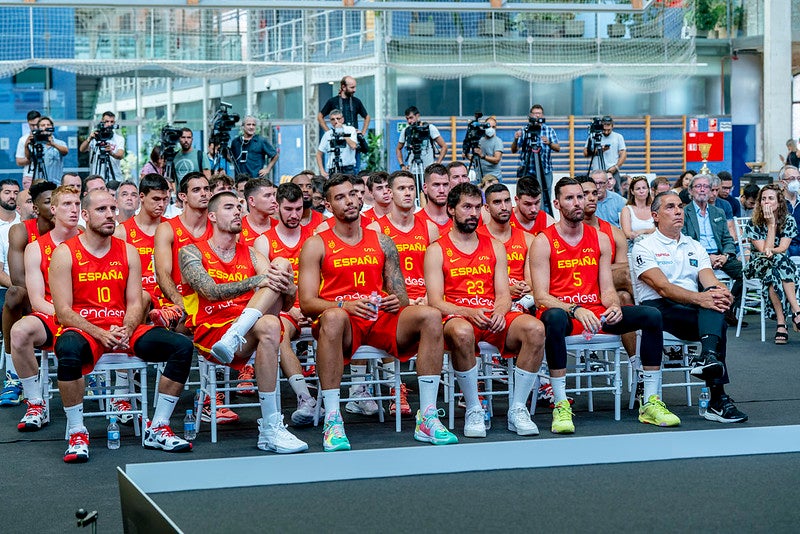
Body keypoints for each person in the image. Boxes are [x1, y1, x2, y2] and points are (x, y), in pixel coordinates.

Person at [298, 174, 457, 451]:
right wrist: (342, 305)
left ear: (361, 197)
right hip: (344, 322)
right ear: (327, 204)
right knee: (333, 318)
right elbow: (307, 303)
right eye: (339, 197)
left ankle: (428, 416)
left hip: (379, 317)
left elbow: (402, 296)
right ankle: (333, 419)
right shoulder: (317, 243)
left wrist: (396, 302)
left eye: (352, 195)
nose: (348, 201)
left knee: (431, 315)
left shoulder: (382, 241)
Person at [51, 189, 196, 463]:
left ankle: (159, 427)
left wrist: (127, 329)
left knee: (181, 346)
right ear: (85, 215)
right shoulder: (64, 253)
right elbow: (63, 312)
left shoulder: (128, 251)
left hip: (122, 328)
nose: (110, 215)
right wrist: (100, 333)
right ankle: (77, 432)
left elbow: (135, 302)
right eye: (102, 210)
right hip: (86, 329)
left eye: (112, 209)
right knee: (67, 349)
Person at [531, 178, 677, 434]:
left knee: (651, 315)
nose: (577, 203)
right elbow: (541, 296)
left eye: (580, 197)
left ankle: (650, 400)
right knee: (552, 318)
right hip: (565, 315)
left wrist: (613, 305)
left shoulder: (600, 239)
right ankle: (561, 403)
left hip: (596, 313)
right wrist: (575, 308)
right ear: (556, 204)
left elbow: (607, 288)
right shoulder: (543, 241)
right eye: (569, 198)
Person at [179, 190, 307, 453]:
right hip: (212, 332)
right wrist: (257, 281)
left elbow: (284, 305)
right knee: (271, 299)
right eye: (229, 207)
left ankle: (271, 428)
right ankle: (235, 333)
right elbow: (209, 292)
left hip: (241, 332)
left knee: (279, 275)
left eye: (239, 207)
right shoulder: (191, 251)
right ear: (212, 216)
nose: (237, 212)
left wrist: (290, 287)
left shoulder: (250, 254)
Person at [425, 183, 545, 437]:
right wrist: (468, 312)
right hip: (458, 316)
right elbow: (435, 301)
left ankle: (518, 408)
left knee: (535, 328)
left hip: (493, 316)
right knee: (462, 332)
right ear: (450, 210)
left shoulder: (495, 247)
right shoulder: (436, 249)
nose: (473, 213)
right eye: (466, 207)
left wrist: (500, 312)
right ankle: (473, 407)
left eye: (477, 207)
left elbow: (503, 294)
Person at [632, 191, 748, 423]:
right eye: (670, 207)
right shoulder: (644, 247)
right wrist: (704, 298)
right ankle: (717, 398)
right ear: (655, 215)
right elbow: (663, 288)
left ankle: (708, 356)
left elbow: (709, 279)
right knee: (712, 311)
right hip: (658, 310)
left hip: (689, 309)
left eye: (680, 206)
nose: (678, 211)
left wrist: (721, 292)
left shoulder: (694, 246)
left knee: (714, 299)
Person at [11, 185, 81, 431]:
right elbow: (37, 299)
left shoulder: (91, 240)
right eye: (66, 205)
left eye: (77, 204)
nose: (73, 210)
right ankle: (35, 403)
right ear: (53, 210)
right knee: (19, 332)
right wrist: (66, 315)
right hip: (53, 312)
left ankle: (121, 397)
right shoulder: (35, 248)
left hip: (91, 313)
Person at [254, 183, 319, 424]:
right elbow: (262, 286)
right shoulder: (264, 241)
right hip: (285, 309)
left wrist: (311, 306)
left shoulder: (315, 237)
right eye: (288, 209)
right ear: (277, 208)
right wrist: (292, 307)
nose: (294, 215)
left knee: (337, 325)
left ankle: (343, 396)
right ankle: (305, 397)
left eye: (299, 209)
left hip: (315, 305)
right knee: (277, 332)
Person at [0, 181, 56, 407]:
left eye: (58, 201)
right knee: (13, 294)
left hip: (66, 299)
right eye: (49, 202)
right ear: (35, 207)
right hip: (34, 298)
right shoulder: (20, 230)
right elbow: (18, 279)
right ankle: (13, 373)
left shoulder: (75, 231)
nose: (55, 207)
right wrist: (43, 304)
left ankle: (91, 373)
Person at [577, 175, 638, 363]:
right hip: (578, 288)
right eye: (585, 194)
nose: (592, 198)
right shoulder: (569, 231)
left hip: (608, 290)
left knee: (625, 298)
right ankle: (657, 314)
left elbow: (619, 270)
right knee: (630, 273)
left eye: (594, 193)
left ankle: (639, 366)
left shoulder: (613, 232)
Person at [114, 174, 182, 329]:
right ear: (142, 197)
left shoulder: (173, 228)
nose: (162, 204)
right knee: (142, 298)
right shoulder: (121, 232)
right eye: (156, 199)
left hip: (168, 295)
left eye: (165, 199)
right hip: (138, 297)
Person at [682, 173, 743, 326]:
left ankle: (729, 305)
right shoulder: (684, 213)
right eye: (698, 186)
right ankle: (715, 313)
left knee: (747, 273)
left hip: (721, 255)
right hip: (698, 257)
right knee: (703, 280)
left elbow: (727, 239)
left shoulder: (718, 212)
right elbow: (685, 240)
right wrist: (706, 257)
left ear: (710, 191)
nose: (702, 190)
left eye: (706, 187)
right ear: (690, 191)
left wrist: (726, 255)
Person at [743, 184, 800, 343]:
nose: (766, 202)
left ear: (779, 202)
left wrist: (772, 251)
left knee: (774, 273)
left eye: (770, 198)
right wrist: (771, 225)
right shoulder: (753, 222)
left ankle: (781, 324)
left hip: (777, 267)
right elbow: (764, 251)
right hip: (757, 265)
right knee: (778, 261)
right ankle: (797, 312)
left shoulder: (788, 220)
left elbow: (782, 248)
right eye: (763, 199)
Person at [153, 172, 213, 321]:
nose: (204, 194)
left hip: (210, 300)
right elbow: (162, 274)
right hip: (178, 301)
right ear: (183, 196)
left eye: (206, 189)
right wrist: (181, 302)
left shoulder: (219, 226)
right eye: (196, 190)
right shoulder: (167, 228)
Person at [478, 183, 534, 302]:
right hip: (489, 300)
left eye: (507, 201)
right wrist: (507, 289)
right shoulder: (476, 237)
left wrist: (525, 286)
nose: (504, 207)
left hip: (522, 299)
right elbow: (476, 282)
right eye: (497, 202)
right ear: (487, 208)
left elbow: (530, 280)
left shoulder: (528, 239)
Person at [318, 75, 371, 173]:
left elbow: (367, 117)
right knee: (335, 163)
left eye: (355, 87)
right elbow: (320, 116)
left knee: (354, 168)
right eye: (352, 87)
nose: (354, 90)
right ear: (343, 87)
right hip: (337, 139)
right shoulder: (332, 101)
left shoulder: (356, 101)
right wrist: (328, 131)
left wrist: (362, 133)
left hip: (351, 138)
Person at [511, 104, 560, 204]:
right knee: (526, 196)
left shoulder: (549, 130)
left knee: (545, 198)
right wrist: (516, 139)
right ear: (530, 115)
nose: (537, 116)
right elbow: (514, 150)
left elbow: (558, 148)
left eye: (539, 113)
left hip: (545, 169)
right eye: (535, 113)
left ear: (543, 115)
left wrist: (549, 143)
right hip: (528, 170)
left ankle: (545, 217)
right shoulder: (524, 130)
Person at [396, 106, 448, 172]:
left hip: (428, 169)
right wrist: (402, 165)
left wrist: (437, 164)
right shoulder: (406, 131)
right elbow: (398, 148)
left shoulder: (430, 128)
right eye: (407, 119)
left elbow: (444, 146)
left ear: (417, 116)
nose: (409, 121)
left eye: (411, 118)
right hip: (412, 169)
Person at [79, 111, 125, 182]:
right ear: (102, 122)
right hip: (96, 178)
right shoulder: (95, 137)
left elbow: (120, 155)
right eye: (106, 121)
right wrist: (89, 139)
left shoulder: (119, 139)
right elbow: (82, 149)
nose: (109, 124)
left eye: (112, 122)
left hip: (114, 178)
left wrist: (111, 153)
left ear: (114, 123)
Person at [230, 116, 279, 182]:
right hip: (240, 181)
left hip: (255, 180)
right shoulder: (236, 142)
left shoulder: (261, 141)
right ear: (243, 126)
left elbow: (275, 155)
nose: (251, 127)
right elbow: (232, 158)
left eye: (253, 125)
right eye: (248, 124)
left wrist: (267, 169)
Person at [21, 116, 68, 185]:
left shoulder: (60, 143)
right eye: (43, 125)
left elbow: (65, 152)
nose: (46, 127)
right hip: (39, 182)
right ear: (38, 128)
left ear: (52, 127)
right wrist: (26, 145)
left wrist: (53, 144)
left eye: (48, 125)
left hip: (56, 182)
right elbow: (29, 158)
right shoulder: (36, 143)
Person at [583, 116, 626, 189]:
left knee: (617, 190)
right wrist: (600, 150)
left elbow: (623, 154)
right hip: (597, 171)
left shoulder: (618, 137)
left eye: (608, 130)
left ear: (612, 126)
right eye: (604, 130)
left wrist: (616, 167)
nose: (606, 132)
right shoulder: (594, 136)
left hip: (612, 170)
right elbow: (586, 153)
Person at [317, 109, 358, 178]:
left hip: (348, 169)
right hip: (333, 168)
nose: (336, 121)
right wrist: (322, 170)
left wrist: (342, 133)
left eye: (338, 119)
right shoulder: (328, 134)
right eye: (333, 119)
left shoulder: (350, 130)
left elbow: (353, 146)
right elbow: (319, 154)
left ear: (342, 119)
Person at [416, 163, 453, 234]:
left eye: (445, 185)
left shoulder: (459, 219)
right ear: (425, 188)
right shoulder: (414, 221)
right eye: (436, 185)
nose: (442, 190)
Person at [620, 175, 655, 247]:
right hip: (634, 245)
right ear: (632, 191)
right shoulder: (627, 210)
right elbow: (627, 233)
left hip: (655, 245)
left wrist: (643, 231)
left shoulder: (654, 208)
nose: (642, 191)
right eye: (638, 189)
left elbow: (660, 229)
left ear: (648, 190)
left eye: (644, 188)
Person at [239, 178, 276, 247]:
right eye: (267, 196)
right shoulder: (237, 229)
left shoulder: (279, 227)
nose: (274, 200)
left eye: (274, 195)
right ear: (252, 201)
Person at [469, 116, 503, 182]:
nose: (491, 129)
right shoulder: (480, 140)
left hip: (493, 178)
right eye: (489, 126)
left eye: (493, 127)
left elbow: (496, 159)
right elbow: (476, 159)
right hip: (480, 177)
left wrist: (483, 156)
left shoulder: (498, 141)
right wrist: (467, 154)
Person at [15, 110, 41, 188]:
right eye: (32, 125)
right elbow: (19, 162)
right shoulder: (23, 140)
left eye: (37, 124)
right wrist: (31, 158)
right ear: (28, 123)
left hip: (46, 174)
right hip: (30, 175)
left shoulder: (47, 138)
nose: (35, 127)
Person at [779, 165, 800, 257]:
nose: (796, 181)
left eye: (798, 178)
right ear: (783, 182)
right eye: (792, 178)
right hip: (782, 245)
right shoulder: (776, 202)